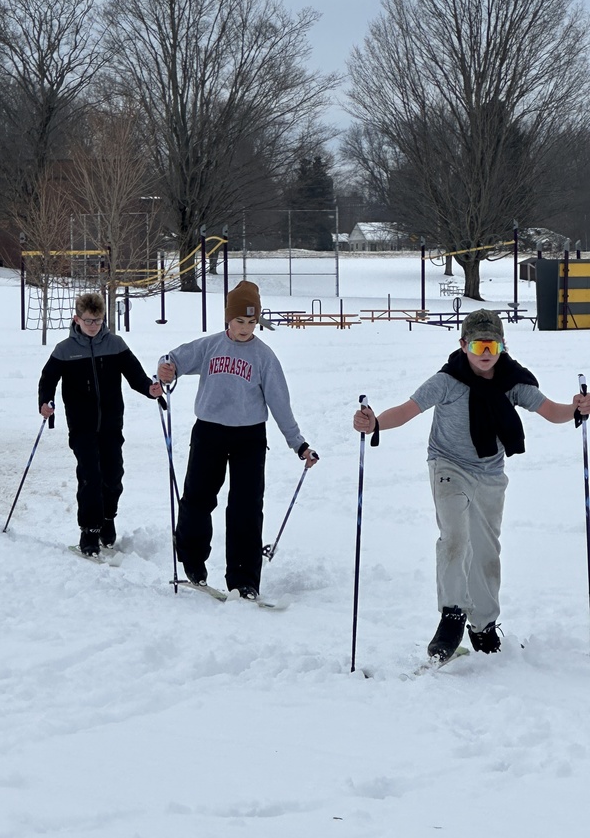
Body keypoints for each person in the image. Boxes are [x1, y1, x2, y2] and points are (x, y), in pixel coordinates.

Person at [352, 308, 590, 662]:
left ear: (502, 346)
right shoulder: (447, 380)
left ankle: (483, 625)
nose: (485, 351)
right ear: (464, 345)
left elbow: (550, 410)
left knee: (485, 551)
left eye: (492, 343)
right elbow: (408, 410)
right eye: (478, 343)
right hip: (448, 466)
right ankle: (452, 616)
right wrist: (375, 425)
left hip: (490, 475)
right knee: (455, 537)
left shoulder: (512, 381)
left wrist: (576, 409)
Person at [156, 280, 318, 601]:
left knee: (246, 507)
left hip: (249, 438)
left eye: (252, 321)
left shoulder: (264, 358)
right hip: (208, 433)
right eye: (239, 321)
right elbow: (174, 358)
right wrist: (167, 368)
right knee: (197, 499)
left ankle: (244, 580)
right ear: (227, 319)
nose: (245, 328)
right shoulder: (210, 346)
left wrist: (298, 444)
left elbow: (280, 404)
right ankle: (192, 560)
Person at [38, 292, 162, 556]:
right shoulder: (65, 350)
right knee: (90, 477)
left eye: (97, 320)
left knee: (113, 477)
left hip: (111, 423)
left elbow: (135, 375)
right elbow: (48, 379)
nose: (93, 326)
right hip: (81, 426)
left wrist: (149, 389)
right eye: (88, 321)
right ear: (77, 319)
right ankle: (90, 531)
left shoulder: (115, 344)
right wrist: (45, 401)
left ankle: (108, 519)